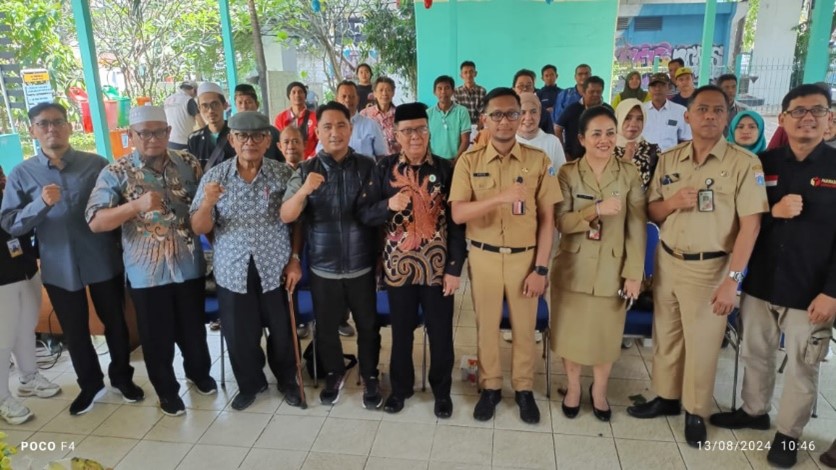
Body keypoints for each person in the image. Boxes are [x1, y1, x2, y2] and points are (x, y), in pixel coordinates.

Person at [626, 85, 769, 447]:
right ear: (687, 116)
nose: (709, 116)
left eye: (717, 110)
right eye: (701, 109)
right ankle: (667, 397)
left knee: (703, 345)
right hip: (669, 260)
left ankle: (695, 410)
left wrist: (732, 281)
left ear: (727, 116)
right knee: (667, 336)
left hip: (711, 267)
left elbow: (751, 226)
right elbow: (651, 212)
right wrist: (672, 202)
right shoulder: (670, 158)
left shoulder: (744, 163)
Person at [709, 84, 836, 468]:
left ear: (829, 118)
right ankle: (753, 410)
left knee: (802, 363)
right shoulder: (762, 164)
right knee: (756, 352)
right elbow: (742, 218)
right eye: (798, 111)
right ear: (781, 119)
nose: (808, 118)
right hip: (762, 282)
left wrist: (832, 292)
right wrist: (772, 213)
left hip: (811, 291)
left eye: (817, 110)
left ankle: (788, 434)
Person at [0, 102, 143, 416]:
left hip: (102, 258)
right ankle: (90, 385)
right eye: (43, 124)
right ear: (32, 130)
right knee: (75, 331)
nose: (51, 129)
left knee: (116, 323)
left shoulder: (97, 164)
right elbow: (10, 223)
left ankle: (122, 378)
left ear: (69, 126)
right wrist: (40, 204)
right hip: (58, 265)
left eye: (57, 122)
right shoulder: (22, 174)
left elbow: (119, 205)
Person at [86, 106, 215, 417]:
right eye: (144, 133)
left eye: (159, 131)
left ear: (169, 133)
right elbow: (95, 221)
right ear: (131, 135)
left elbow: (204, 207)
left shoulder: (188, 163)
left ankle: (199, 374)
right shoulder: (115, 173)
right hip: (147, 274)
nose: (152, 138)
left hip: (189, 266)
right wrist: (134, 207)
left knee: (194, 331)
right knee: (156, 339)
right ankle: (167, 392)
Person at [449, 87, 562, 424]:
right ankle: (491, 387)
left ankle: (524, 389)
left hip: (524, 258)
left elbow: (548, 220)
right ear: (484, 119)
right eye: (496, 114)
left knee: (525, 328)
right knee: (486, 326)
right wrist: (499, 198)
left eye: (512, 114)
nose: (504, 121)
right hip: (483, 257)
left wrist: (541, 268)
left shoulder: (538, 161)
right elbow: (457, 214)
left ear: (521, 117)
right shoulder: (468, 162)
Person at [357, 102, 466, 418]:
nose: (415, 136)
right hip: (398, 269)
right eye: (407, 131)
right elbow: (364, 214)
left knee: (441, 334)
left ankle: (441, 392)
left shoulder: (447, 169)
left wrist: (455, 268)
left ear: (428, 130)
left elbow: (458, 225)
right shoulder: (382, 169)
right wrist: (387, 205)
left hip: (437, 270)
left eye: (420, 129)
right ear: (396, 135)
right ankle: (401, 389)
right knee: (401, 333)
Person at [190, 111, 302, 411]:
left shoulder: (282, 174)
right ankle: (251, 384)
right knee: (239, 334)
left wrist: (294, 259)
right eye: (242, 136)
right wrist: (208, 202)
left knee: (282, 333)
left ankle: (289, 381)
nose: (249, 142)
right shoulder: (215, 177)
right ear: (231, 139)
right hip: (232, 269)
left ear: (268, 140)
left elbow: (297, 222)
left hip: (275, 267)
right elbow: (199, 227)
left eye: (257, 136)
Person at [281, 102, 382, 408]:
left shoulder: (368, 167)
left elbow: (377, 216)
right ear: (318, 131)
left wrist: (379, 257)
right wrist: (303, 192)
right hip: (323, 266)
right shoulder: (306, 170)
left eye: (341, 126)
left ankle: (370, 374)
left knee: (368, 325)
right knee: (325, 328)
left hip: (361, 264)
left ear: (351, 130)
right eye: (328, 127)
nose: (335, 132)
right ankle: (334, 373)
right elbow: (288, 215)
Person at [551, 106, 646, 422]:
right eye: (596, 134)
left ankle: (600, 391)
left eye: (609, 132)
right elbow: (562, 222)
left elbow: (636, 227)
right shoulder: (567, 173)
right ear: (581, 138)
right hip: (573, 268)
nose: (604, 140)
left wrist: (634, 274)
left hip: (612, 270)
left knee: (606, 335)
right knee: (570, 334)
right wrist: (596, 210)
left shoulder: (629, 173)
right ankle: (575, 387)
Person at [0, 164, 61, 425]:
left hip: (24, 269)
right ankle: (2, 397)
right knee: (3, 338)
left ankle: (28, 376)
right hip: (1, 280)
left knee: (26, 329)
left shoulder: (10, 193)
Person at [320, 80, 388, 159]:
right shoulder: (327, 127)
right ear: (336, 99)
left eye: (352, 96)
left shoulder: (371, 125)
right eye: (344, 96)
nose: (347, 100)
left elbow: (381, 156)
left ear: (358, 99)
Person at [556, 76, 613, 161]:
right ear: (583, 92)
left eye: (598, 92)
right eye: (592, 92)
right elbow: (558, 129)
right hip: (573, 159)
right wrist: (563, 152)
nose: (595, 95)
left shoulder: (608, 110)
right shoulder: (572, 109)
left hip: (600, 159)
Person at [614, 98, 661, 191]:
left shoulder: (652, 150)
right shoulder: (604, 148)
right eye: (627, 118)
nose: (633, 124)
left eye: (639, 119)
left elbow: (658, 189)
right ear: (619, 118)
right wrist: (627, 157)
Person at [187, 82, 235, 171]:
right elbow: (193, 171)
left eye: (215, 104)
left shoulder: (237, 135)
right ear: (199, 108)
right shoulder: (194, 139)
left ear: (225, 105)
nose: (210, 110)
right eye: (205, 106)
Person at [234, 83, 284, 162]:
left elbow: (283, 160)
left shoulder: (272, 132)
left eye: (248, 102)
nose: (244, 106)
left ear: (257, 105)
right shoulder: (232, 134)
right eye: (240, 103)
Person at [515, 92, 566, 168]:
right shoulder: (505, 143)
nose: (528, 117)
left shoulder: (553, 142)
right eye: (523, 112)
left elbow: (562, 176)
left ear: (540, 113)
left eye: (533, 112)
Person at [643, 73, 691, 151]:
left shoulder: (681, 111)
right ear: (649, 89)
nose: (657, 89)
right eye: (654, 86)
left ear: (668, 87)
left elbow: (687, 139)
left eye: (662, 85)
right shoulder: (640, 110)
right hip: (643, 159)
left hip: (670, 158)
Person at [427, 75, 471, 160]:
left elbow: (465, 140)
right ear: (434, 92)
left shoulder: (462, 111)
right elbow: (425, 140)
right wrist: (431, 160)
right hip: (434, 161)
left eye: (447, 88)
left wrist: (455, 161)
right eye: (439, 88)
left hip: (457, 160)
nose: (443, 92)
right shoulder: (428, 114)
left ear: (453, 91)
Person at [275, 81, 318, 159]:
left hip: (311, 161)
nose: (297, 95)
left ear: (305, 95)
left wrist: (311, 158)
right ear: (289, 96)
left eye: (300, 92)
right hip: (287, 161)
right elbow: (279, 141)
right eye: (293, 92)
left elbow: (320, 141)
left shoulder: (315, 117)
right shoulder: (280, 118)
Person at [361, 77, 399, 155]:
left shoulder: (400, 114)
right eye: (381, 90)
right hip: (372, 162)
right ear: (374, 93)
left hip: (395, 161)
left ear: (393, 93)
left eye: (388, 90)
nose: (384, 93)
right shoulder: (365, 114)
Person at [164, 80, 202, 150]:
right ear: (194, 90)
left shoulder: (168, 100)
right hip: (183, 143)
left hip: (168, 142)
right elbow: (201, 123)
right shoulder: (189, 100)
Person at [513, 69, 554, 135]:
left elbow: (550, 139)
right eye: (521, 86)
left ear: (533, 89)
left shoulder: (544, 113)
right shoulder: (506, 112)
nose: (525, 89)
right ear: (514, 89)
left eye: (528, 86)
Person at [454, 60, 487, 127]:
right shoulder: (456, 92)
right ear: (461, 75)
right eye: (465, 72)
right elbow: (455, 113)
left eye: (471, 72)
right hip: (461, 126)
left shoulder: (482, 91)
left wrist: (479, 127)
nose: (468, 75)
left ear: (475, 73)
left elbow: (484, 112)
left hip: (478, 127)